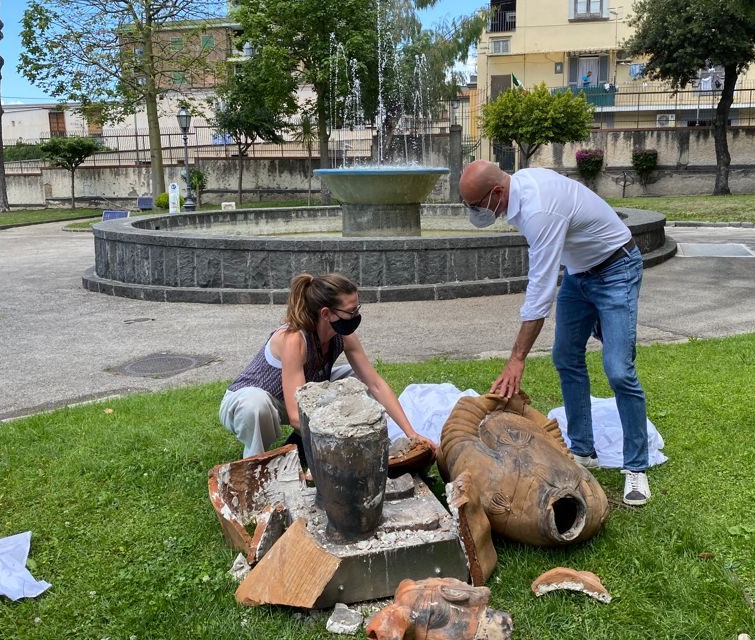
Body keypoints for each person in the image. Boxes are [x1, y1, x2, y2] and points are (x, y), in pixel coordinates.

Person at [458, 160, 651, 506]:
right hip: (580, 274)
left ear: (498, 193)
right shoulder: (519, 192)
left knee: (619, 370)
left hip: (616, 268)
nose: (474, 211)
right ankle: (582, 450)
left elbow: (540, 292)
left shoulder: (538, 209)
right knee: (566, 357)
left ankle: (635, 466)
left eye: (475, 204)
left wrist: (517, 358)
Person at [219, 273, 434, 464]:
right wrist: (341, 439)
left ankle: (303, 445)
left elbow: (375, 384)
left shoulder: (343, 335)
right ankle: (254, 465)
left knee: (355, 380)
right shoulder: (294, 339)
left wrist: (411, 433)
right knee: (256, 404)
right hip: (250, 402)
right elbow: (296, 415)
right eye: (351, 311)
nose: (355, 316)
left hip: (295, 397)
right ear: (325, 313)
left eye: (357, 308)